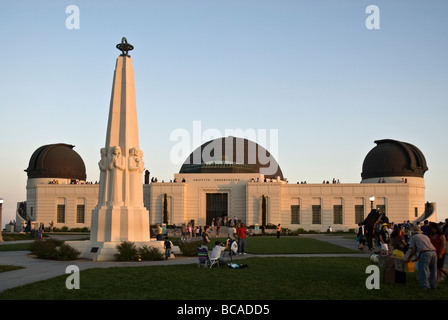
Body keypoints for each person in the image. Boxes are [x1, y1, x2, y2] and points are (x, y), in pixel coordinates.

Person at [405, 225, 438, 289]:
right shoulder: (425, 236)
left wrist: (408, 258)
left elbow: (413, 250)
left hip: (425, 253)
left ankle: (425, 287)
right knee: (433, 270)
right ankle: (434, 285)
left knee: (423, 271)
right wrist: (417, 258)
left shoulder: (413, 237)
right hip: (433, 252)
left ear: (413, 232)